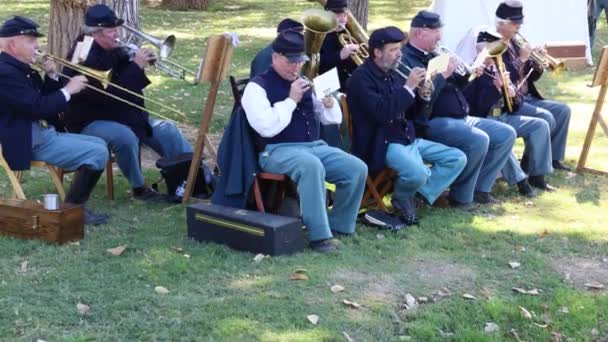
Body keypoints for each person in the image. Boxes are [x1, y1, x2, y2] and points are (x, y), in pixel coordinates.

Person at [241, 30, 367, 253]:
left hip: (313, 146)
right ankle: (319, 236)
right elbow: (266, 127)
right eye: (290, 62)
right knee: (311, 166)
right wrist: (291, 100)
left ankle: (340, 225)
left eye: (299, 62)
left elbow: (330, 120)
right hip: (275, 150)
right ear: (275, 57)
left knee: (356, 167)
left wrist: (327, 105)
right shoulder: (257, 87)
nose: (295, 67)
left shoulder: (304, 81)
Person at [62, 4, 193, 202]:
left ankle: (194, 176)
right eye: (112, 30)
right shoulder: (84, 55)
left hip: (122, 114)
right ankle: (140, 189)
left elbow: (125, 78)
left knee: (168, 130)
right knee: (125, 137)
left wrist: (139, 63)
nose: (118, 34)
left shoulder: (111, 47)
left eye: (117, 29)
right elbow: (110, 95)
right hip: (90, 119)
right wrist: (136, 66)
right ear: (96, 33)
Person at [346, 26, 466, 225]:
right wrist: (409, 88)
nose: (399, 55)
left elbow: (409, 113)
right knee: (418, 172)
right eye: (393, 50)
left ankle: (413, 195)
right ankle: (404, 197)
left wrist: (421, 97)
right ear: (377, 52)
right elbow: (382, 114)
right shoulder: (360, 79)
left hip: (405, 137)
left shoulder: (393, 73)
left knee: (457, 158)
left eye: (400, 49)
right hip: (379, 142)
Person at [0, 16, 109, 225]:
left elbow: (41, 100)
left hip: (40, 132)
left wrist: (51, 76)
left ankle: (76, 205)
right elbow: (37, 107)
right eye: (31, 41)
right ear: (13, 44)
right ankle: (74, 208)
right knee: (97, 152)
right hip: (25, 139)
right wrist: (68, 90)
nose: (37, 46)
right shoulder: (5, 72)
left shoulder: (19, 69)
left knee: (99, 144)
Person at [401, 10, 517, 206]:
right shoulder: (408, 59)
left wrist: (468, 75)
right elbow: (422, 100)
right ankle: (461, 197)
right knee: (478, 139)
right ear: (420, 33)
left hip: (459, 116)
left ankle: (481, 189)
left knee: (506, 134)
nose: (440, 36)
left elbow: (454, 88)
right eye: (436, 31)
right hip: (431, 120)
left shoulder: (435, 53)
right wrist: (442, 77)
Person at [464, 30, 554, 197]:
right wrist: (496, 89)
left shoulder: (502, 68)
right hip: (485, 120)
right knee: (504, 136)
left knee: (540, 125)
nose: (494, 56)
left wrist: (512, 94)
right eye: (490, 52)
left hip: (503, 116)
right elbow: (474, 107)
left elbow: (516, 103)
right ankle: (521, 182)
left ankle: (538, 175)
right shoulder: (473, 71)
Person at [495, 0, 572, 174]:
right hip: (513, 102)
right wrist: (522, 59)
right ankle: (531, 165)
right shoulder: (495, 45)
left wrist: (536, 65)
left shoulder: (516, 42)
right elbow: (506, 77)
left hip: (528, 96)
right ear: (501, 23)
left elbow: (530, 77)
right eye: (515, 24)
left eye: (519, 23)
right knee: (545, 118)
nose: (518, 28)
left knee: (563, 110)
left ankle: (554, 158)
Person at [318, 0, 359, 90]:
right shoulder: (319, 34)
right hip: (326, 85)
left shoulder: (348, 33)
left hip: (349, 82)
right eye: (337, 15)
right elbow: (314, 63)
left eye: (344, 15)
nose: (342, 19)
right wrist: (340, 55)